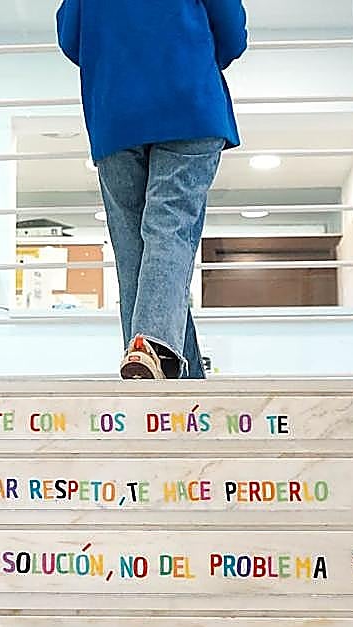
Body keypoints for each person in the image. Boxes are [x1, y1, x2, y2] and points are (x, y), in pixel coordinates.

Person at [56, 0, 248, 379]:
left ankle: (168, 381)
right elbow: (231, 32)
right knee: (169, 229)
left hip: (115, 112)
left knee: (134, 252)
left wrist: (121, 57)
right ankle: (154, 346)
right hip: (188, 100)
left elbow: (70, 35)